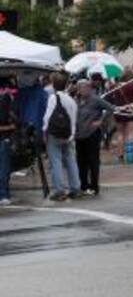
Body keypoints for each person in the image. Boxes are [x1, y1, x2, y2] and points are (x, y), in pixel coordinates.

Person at [42, 73, 80, 202]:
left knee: (56, 161)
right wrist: (72, 134)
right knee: (70, 160)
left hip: (55, 134)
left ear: (53, 85)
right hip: (68, 134)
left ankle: (59, 190)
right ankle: (75, 187)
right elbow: (74, 119)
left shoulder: (53, 98)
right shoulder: (71, 100)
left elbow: (47, 117)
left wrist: (44, 131)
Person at [74, 79, 115, 196]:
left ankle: (94, 186)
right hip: (79, 135)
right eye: (80, 88)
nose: (83, 90)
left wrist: (100, 121)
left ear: (89, 88)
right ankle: (83, 185)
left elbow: (111, 108)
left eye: (85, 87)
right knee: (81, 161)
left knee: (93, 160)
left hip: (92, 134)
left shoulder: (95, 99)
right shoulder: (76, 100)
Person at [0, 77, 16, 206]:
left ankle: (4, 193)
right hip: (4, 137)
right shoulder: (7, 100)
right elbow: (13, 122)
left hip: (4, 136)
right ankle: (4, 194)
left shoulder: (6, 99)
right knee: (4, 167)